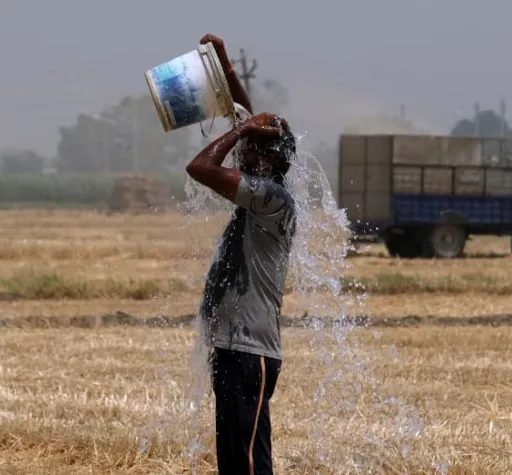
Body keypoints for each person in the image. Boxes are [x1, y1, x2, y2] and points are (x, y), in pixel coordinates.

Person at [186, 34, 297, 475]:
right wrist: (225, 66)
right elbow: (247, 116)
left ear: (268, 163)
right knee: (234, 463)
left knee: (250, 463)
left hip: (252, 353)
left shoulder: (272, 198)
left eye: (251, 148)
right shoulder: (262, 190)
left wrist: (240, 129)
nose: (242, 152)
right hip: (233, 348)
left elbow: (200, 169)